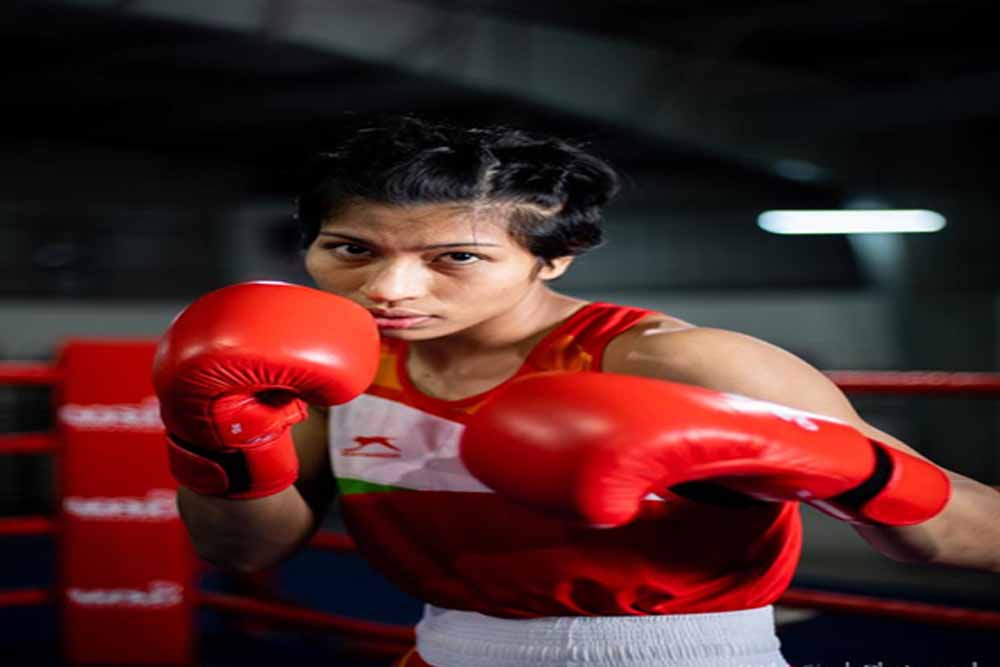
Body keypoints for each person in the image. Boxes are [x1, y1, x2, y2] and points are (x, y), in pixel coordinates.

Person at [154, 116, 1000, 667]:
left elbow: (962, 533)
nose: (389, 289)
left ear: (553, 258)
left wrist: (844, 466)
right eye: (352, 250)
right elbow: (242, 551)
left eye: (457, 257)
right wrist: (218, 439)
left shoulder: (686, 362)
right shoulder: (328, 369)